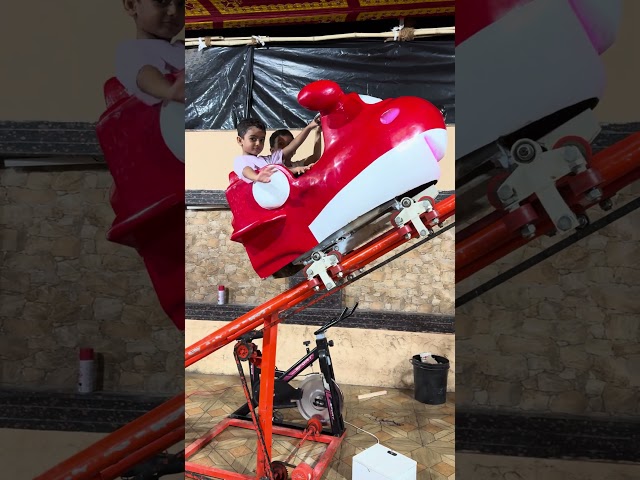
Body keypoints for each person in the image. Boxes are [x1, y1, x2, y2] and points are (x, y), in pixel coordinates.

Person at [116, 0, 185, 105]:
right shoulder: (131, 50)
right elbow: (144, 74)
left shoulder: (183, 47)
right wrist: (169, 92)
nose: (174, 11)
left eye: (181, 4)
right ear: (131, 5)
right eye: (161, 1)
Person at [234, 118, 320, 183]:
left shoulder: (268, 160)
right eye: (253, 139)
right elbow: (246, 170)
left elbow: (293, 146)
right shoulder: (241, 160)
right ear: (240, 140)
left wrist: (310, 127)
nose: (258, 143)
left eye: (261, 140)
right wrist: (256, 177)